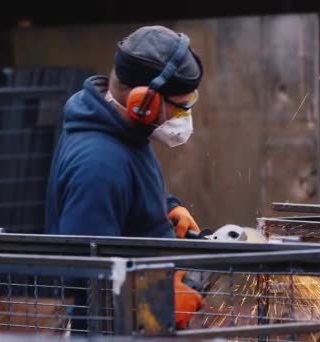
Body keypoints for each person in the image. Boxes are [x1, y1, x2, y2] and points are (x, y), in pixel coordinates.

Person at [44, 25, 204, 331]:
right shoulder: (99, 164)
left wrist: (164, 207)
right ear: (144, 103)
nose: (184, 117)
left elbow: (123, 196)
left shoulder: (121, 133)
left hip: (138, 326)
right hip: (112, 331)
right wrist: (160, 297)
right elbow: (85, 275)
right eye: (181, 106)